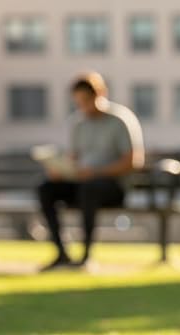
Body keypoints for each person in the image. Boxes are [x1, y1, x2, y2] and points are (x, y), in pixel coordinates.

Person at [37, 72, 144, 271]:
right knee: (46, 188)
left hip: (111, 186)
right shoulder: (78, 123)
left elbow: (133, 161)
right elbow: (74, 158)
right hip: (82, 182)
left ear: (100, 94)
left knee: (90, 188)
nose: (83, 106)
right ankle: (61, 252)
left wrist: (96, 172)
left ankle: (85, 255)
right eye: (78, 102)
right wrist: (60, 170)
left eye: (86, 100)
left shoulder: (119, 120)